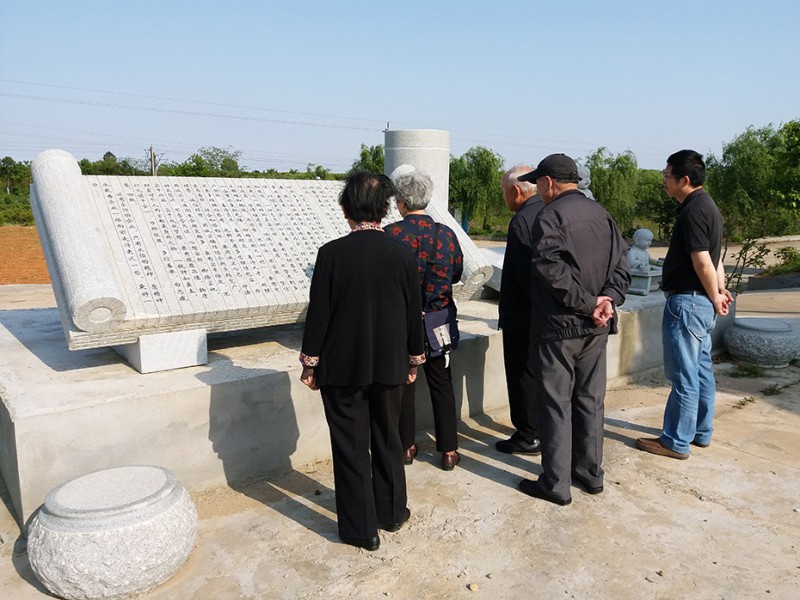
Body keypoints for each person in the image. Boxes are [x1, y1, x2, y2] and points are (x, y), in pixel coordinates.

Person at [299, 171, 425, 551]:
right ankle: (392, 512)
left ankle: (361, 529)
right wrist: (414, 360)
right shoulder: (402, 255)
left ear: (346, 209)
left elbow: (319, 314)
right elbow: (412, 314)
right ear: (386, 209)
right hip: (390, 366)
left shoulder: (331, 254)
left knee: (351, 448)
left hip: (342, 369)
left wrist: (310, 362)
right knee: (388, 438)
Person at [516, 154, 631, 506]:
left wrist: (589, 303)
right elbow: (622, 266)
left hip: (560, 327)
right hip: (596, 327)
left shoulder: (550, 216)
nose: (537, 189)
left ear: (548, 182)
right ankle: (590, 472)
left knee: (555, 403)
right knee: (590, 400)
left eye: (538, 183)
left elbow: (549, 269)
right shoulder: (602, 213)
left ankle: (556, 483)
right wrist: (608, 300)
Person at [636, 150, 733, 460]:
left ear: (684, 180)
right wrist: (719, 290)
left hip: (689, 304)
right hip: (700, 304)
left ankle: (675, 441)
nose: (664, 181)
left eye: (667, 176)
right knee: (701, 371)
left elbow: (703, 261)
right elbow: (715, 259)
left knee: (684, 375)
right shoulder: (708, 207)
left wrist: (716, 294)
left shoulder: (693, 211)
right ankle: (700, 432)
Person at [387, 165, 464, 471]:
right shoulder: (446, 234)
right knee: (441, 382)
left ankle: (406, 447)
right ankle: (449, 451)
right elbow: (456, 273)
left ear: (401, 203)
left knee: (405, 383)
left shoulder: (391, 235)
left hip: (401, 322)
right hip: (438, 320)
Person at [495, 165, 543, 455]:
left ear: (516, 191)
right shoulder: (549, 211)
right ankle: (542, 428)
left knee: (522, 375)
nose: (504, 198)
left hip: (523, 315)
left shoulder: (522, 220)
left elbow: (526, 274)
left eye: (504, 192)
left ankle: (528, 434)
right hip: (545, 314)